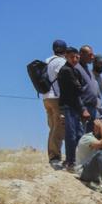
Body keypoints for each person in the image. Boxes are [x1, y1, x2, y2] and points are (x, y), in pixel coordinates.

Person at [57, 47, 88, 173]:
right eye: (72, 57)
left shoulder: (75, 71)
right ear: (66, 56)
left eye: (77, 57)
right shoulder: (65, 70)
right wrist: (80, 87)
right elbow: (79, 88)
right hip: (68, 106)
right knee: (71, 135)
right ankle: (70, 161)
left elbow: (81, 86)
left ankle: (77, 160)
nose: (75, 59)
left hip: (75, 106)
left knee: (79, 134)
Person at [41, 39, 67, 167]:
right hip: (56, 97)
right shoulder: (61, 62)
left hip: (45, 98)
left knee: (52, 127)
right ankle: (55, 157)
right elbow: (64, 80)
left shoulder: (47, 60)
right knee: (59, 128)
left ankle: (52, 155)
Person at [77, 45, 102, 119]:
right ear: (81, 54)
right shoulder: (76, 68)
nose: (92, 57)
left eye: (93, 55)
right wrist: (83, 109)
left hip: (93, 109)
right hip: (83, 109)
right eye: (90, 55)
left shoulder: (89, 71)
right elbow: (75, 92)